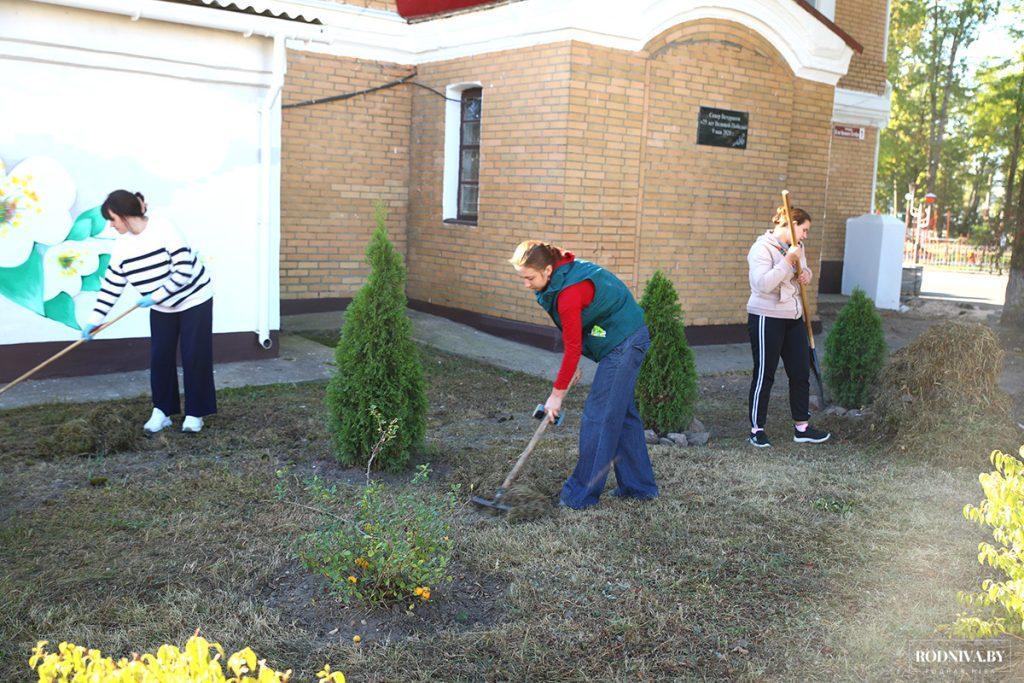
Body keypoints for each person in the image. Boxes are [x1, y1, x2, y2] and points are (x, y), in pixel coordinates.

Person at [509, 240, 658, 509]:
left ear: (548, 270)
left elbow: (573, 343)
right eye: (523, 278)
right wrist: (572, 364)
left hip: (624, 341)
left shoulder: (568, 291)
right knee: (621, 414)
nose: (526, 285)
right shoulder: (560, 278)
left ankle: (580, 495)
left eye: (530, 278)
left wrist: (556, 396)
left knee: (599, 415)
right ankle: (640, 487)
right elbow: (573, 329)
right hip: (622, 336)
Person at [81, 190, 215, 433]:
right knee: (160, 356)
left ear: (123, 215)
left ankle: (195, 413)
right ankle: (162, 410)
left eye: (112, 219)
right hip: (162, 305)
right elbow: (111, 286)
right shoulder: (122, 246)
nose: (111, 226)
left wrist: (155, 296)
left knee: (194, 354)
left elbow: (184, 270)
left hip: (194, 297)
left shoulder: (163, 227)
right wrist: (94, 321)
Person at [746, 206, 831, 448]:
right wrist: (787, 260)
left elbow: (801, 272)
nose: (805, 235)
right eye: (803, 229)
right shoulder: (761, 248)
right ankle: (756, 429)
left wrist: (806, 274)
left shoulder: (798, 248)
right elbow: (762, 284)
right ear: (792, 224)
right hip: (766, 316)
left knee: (800, 371)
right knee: (765, 374)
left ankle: (802, 427)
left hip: (793, 317)